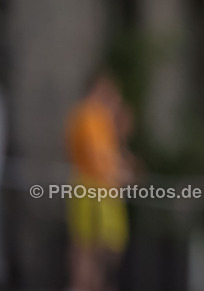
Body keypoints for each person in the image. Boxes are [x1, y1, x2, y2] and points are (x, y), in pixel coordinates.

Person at [65, 71, 133, 291]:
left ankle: (94, 284)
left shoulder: (102, 119)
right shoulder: (88, 116)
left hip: (103, 190)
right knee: (88, 249)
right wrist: (120, 172)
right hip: (92, 189)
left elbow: (111, 152)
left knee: (103, 250)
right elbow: (97, 157)